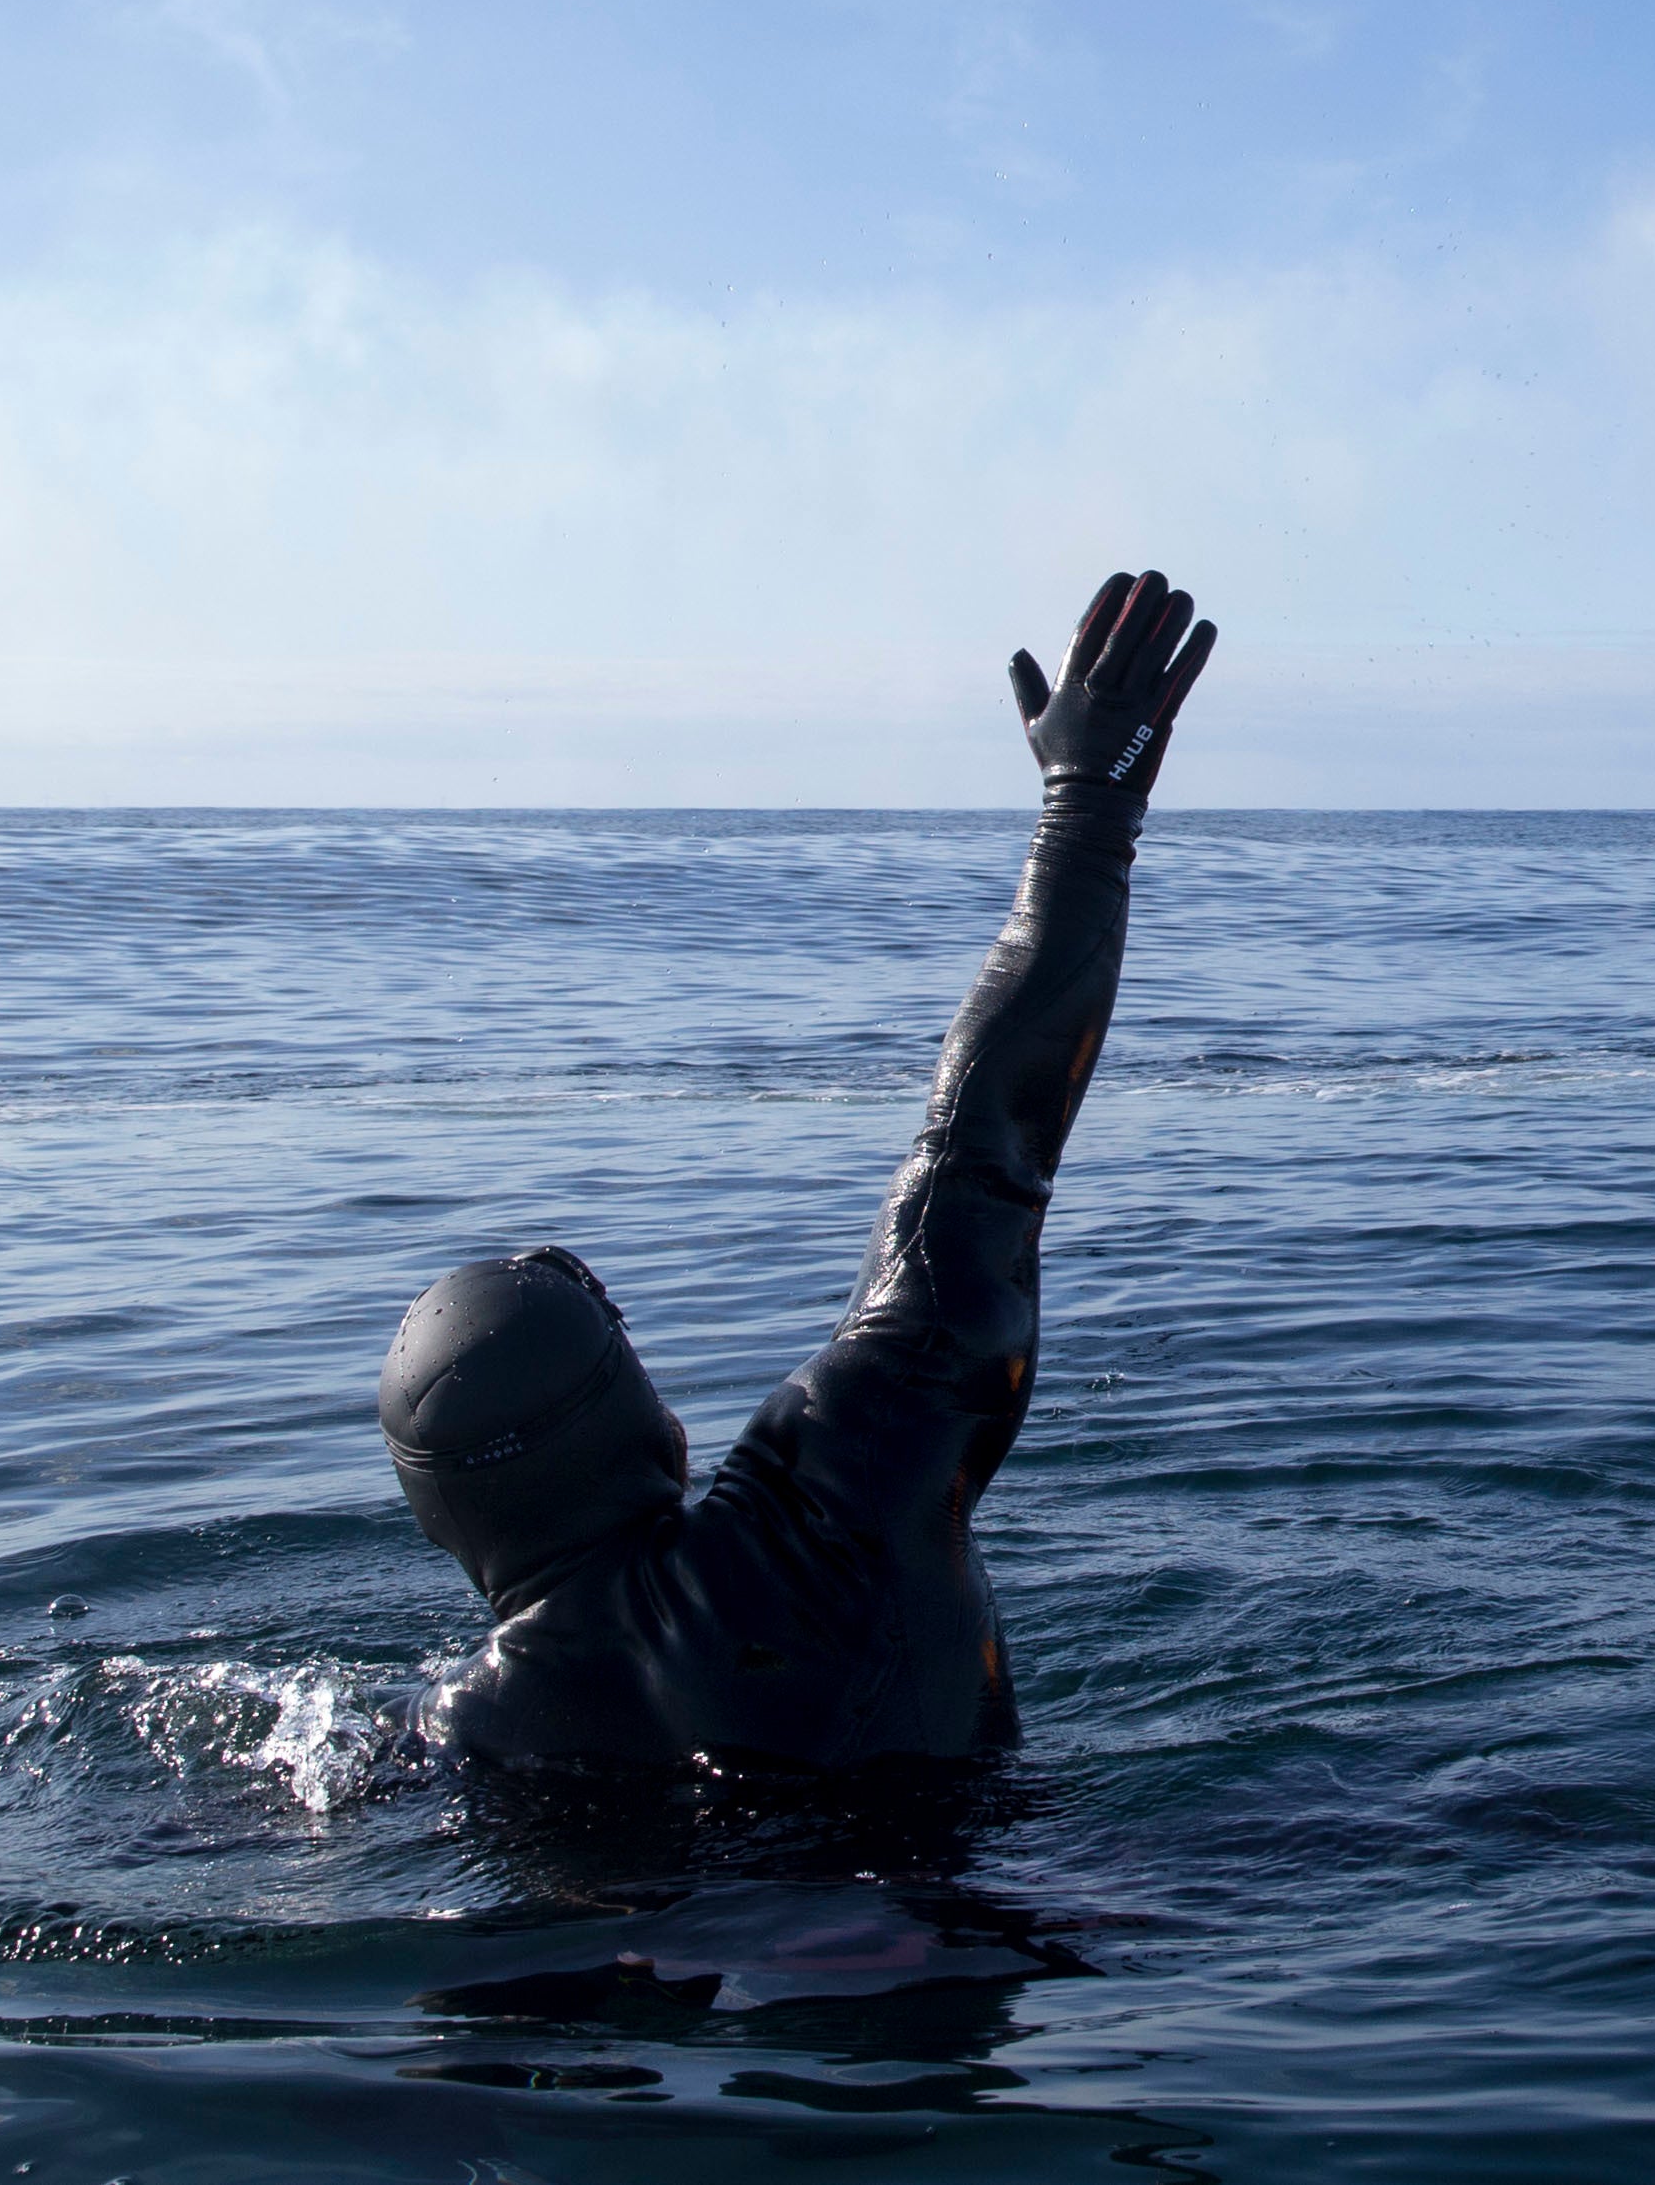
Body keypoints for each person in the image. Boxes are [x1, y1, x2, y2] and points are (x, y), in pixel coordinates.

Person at [375, 570, 1218, 1768]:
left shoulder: (448, 1743)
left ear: (443, 1527)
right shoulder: (840, 1493)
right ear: (657, 1433)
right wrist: (1089, 802)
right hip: (984, 1919)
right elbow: (982, 1144)